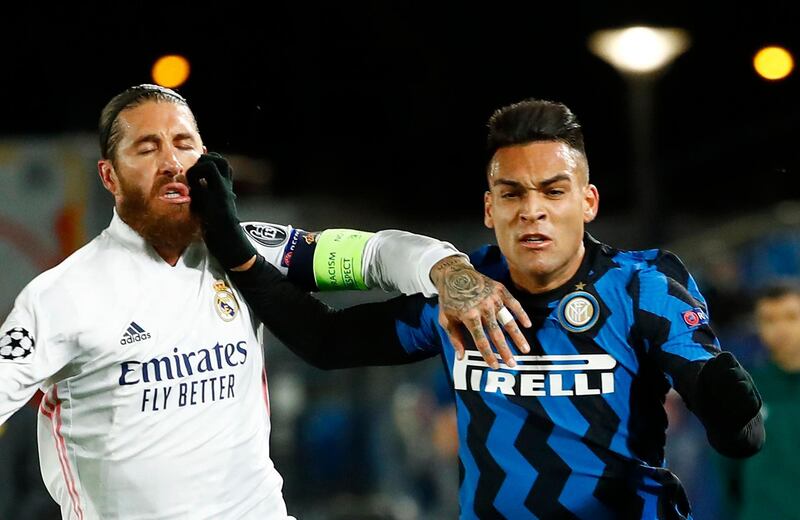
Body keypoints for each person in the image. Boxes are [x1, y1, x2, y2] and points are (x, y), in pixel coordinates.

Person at [192, 98, 766, 519]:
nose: (532, 210)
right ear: (489, 209)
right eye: (513, 193)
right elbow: (327, 341)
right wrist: (238, 252)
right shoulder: (467, 291)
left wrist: (727, 405)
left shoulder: (641, 286)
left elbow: (727, 413)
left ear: (588, 202)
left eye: (553, 190)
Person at [0, 84, 530, 520]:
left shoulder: (247, 249)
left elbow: (376, 253)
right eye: (147, 148)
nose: (171, 162)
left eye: (184, 143)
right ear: (109, 176)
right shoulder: (62, 296)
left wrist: (450, 272)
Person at [718, 281, 800, 520]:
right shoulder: (742, 390)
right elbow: (727, 474)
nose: (781, 329)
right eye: (769, 320)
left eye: (791, 317)